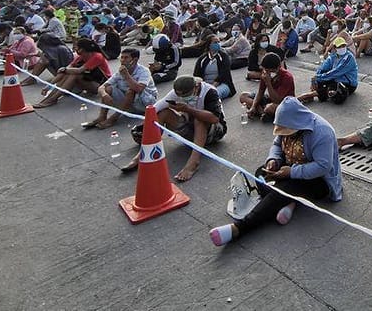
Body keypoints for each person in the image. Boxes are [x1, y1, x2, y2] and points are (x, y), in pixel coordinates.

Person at [209, 96, 342, 246]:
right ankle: (288, 202)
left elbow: (323, 166)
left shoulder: (322, 132)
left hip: (318, 181)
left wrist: (291, 172)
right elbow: (277, 145)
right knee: (261, 173)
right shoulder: (287, 125)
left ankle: (239, 228)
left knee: (283, 190)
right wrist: (273, 160)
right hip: (290, 167)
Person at [121, 75, 227, 181]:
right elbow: (156, 108)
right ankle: (143, 154)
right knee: (163, 113)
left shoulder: (210, 92)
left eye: (185, 95)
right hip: (191, 129)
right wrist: (145, 124)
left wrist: (189, 110)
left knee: (199, 119)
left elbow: (214, 118)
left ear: (196, 87)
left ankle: (193, 163)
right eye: (179, 95)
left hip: (214, 131)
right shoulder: (176, 93)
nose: (182, 98)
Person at [82, 48, 158, 129]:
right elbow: (102, 87)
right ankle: (102, 116)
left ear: (134, 60)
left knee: (131, 90)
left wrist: (126, 75)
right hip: (129, 103)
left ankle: (113, 119)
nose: (122, 60)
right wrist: (104, 95)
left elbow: (139, 89)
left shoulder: (144, 71)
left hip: (144, 104)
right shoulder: (120, 73)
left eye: (126, 58)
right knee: (108, 89)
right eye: (122, 57)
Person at [34, 38, 112, 108]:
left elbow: (79, 70)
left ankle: (53, 99)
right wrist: (48, 86)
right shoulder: (81, 56)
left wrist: (64, 70)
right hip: (89, 79)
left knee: (74, 74)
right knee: (68, 73)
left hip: (101, 85)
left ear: (82, 49)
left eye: (76, 47)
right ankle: (50, 98)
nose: (74, 48)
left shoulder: (97, 56)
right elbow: (66, 69)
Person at [300, 36, 358, 104]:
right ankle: (313, 93)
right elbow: (323, 67)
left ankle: (310, 95)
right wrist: (316, 77)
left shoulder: (349, 57)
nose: (342, 48)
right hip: (335, 79)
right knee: (321, 78)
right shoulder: (333, 56)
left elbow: (336, 72)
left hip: (348, 84)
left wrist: (318, 77)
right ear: (335, 48)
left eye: (343, 45)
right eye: (339, 46)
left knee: (337, 93)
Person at [241, 53, 295, 121]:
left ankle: (265, 112)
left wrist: (268, 83)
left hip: (285, 102)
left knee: (270, 108)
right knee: (243, 96)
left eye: (271, 71)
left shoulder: (287, 77)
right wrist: (253, 106)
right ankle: (262, 112)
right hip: (270, 99)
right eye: (266, 70)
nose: (268, 73)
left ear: (278, 67)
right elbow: (260, 92)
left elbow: (277, 100)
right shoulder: (265, 74)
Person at [192, 35, 236, 99]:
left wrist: (212, 87)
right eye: (215, 42)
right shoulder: (202, 59)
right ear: (209, 45)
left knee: (214, 94)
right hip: (205, 84)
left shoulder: (224, 56)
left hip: (222, 84)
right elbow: (196, 75)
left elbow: (223, 74)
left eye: (219, 42)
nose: (218, 44)